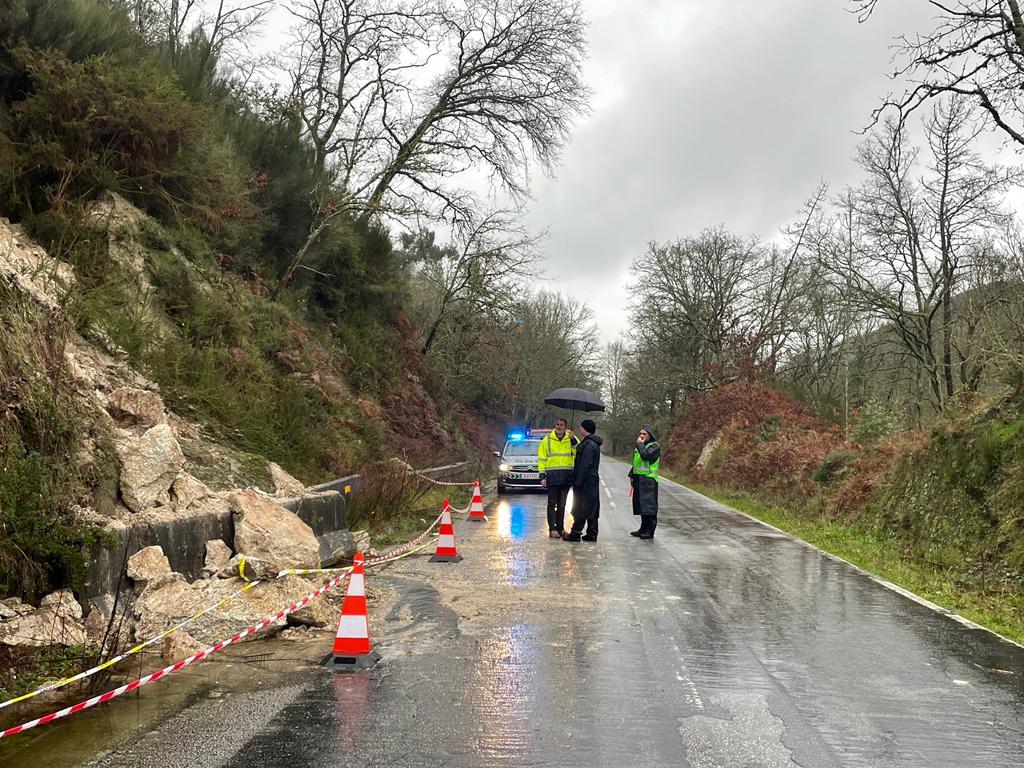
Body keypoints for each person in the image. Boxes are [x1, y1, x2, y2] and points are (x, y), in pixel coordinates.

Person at [538, 417, 579, 538]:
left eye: (561, 425)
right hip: (552, 476)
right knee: (552, 503)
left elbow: (579, 452)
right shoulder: (547, 440)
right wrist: (542, 476)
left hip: (566, 476)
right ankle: (552, 529)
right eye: (557, 425)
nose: (559, 427)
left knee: (562, 504)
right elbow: (541, 459)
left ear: (565, 427)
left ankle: (560, 528)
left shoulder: (572, 438)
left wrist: (572, 440)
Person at [563, 418, 602, 542]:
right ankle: (592, 533)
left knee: (581, 506)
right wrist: (572, 439)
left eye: (581, 427)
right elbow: (578, 449)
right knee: (592, 507)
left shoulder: (589, 444)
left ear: (585, 429)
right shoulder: (590, 442)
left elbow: (585, 465)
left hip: (586, 481)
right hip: (591, 480)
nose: (579, 429)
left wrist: (578, 481)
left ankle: (575, 533)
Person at [628, 424, 661, 539]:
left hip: (649, 480)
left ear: (650, 435)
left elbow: (646, 456)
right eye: (640, 433)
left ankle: (649, 531)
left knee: (649, 507)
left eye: (644, 434)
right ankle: (643, 528)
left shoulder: (654, 446)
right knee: (642, 506)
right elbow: (637, 462)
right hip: (639, 478)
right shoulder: (640, 445)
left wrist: (640, 444)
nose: (641, 436)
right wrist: (631, 474)